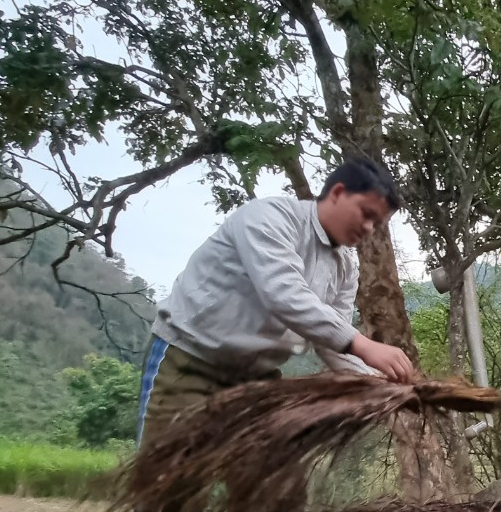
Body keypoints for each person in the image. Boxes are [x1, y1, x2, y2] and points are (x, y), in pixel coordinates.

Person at [135, 156, 416, 449]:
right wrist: (364, 344)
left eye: (377, 223)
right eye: (366, 214)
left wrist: (377, 383)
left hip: (256, 380)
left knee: (278, 482)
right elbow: (284, 294)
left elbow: (333, 340)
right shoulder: (268, 217)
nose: (370, 228)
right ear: (337, 193)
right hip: (190, 358)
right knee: (169, 477)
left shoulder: (346, 267)